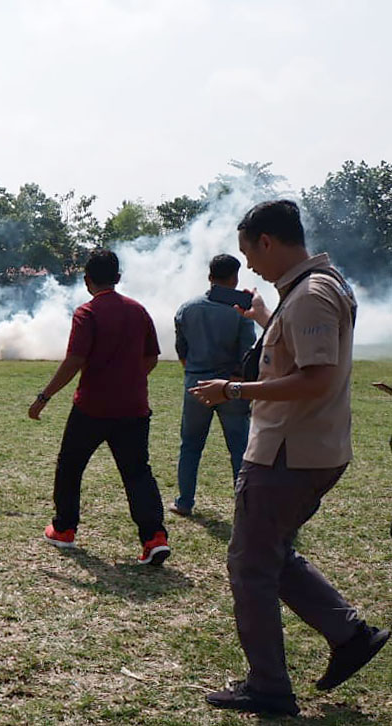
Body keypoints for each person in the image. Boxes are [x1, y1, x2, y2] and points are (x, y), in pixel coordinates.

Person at [189, 201, 387, 717]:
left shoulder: (311, 294)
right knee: (273, 553)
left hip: (288, 453)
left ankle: (269, 687)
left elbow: (316, 376)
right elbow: (301, 353)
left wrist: (233, 389)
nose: (249, 264)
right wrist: (262, 318)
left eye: (249, 252)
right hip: (308, 448)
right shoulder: (316, 286)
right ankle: (351, 634)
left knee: (251, 565)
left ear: (268, 242)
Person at [30, 249, 170, 566]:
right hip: (134, 407)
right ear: (118, 278)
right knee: (137, 473)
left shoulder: (87, 313)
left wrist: (44, 397)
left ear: (86, 280)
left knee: (70, 467)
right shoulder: (139, 311)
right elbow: (151, 358)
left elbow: (75, 360)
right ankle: (154, 537)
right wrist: (128, 379)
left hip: (92, 408)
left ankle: (64, 529)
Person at [171, 254, 256, 516]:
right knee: (239, 447)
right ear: (236, 278)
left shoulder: (187, 308)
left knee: (191, 445)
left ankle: (184, 502)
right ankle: (245, 507)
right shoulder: (241, 312)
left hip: (196, 383)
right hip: (230, 385)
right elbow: (247, 354)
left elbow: (181, 349)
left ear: (210, 277)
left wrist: (195, 374)